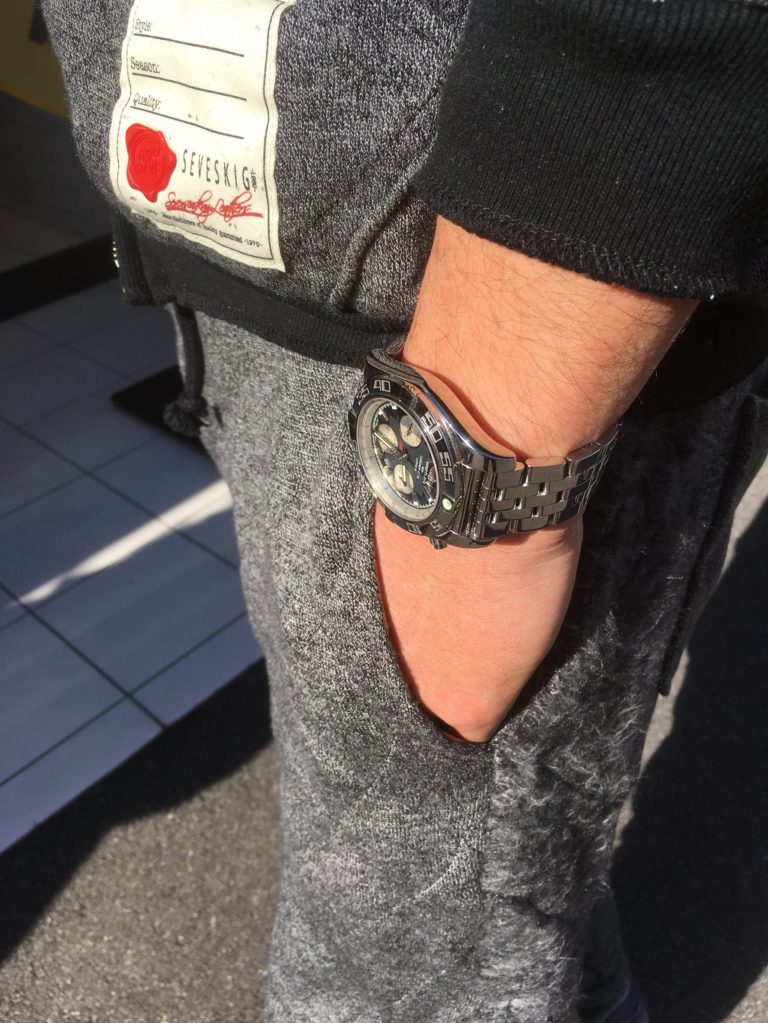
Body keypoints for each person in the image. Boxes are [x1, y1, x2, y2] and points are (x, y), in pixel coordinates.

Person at [42, 1, 768, 1020]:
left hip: (475, 353)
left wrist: (497, 481)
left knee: (402, 965)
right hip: (279, 294)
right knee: (515, 903)